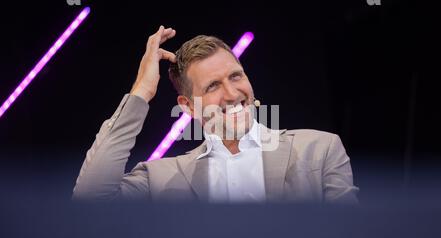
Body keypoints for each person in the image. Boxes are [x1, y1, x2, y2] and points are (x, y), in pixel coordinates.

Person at [72, 26, 359, 203]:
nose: (233, 94)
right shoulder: (160, 177)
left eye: (236, 76)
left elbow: (347, 237)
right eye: (213, 86)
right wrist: (142, 91)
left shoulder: (319, 149)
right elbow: (90, 200)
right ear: (188, 107)